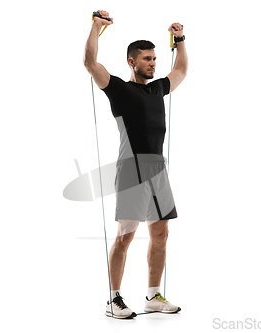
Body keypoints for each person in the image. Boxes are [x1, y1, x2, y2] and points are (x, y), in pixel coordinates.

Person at [83, 10, 188, 319]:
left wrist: (179, 39)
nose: (153, 63)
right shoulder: (119, 89)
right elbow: (90, 63)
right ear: (132, 62)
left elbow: (180, 70)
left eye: (154, 58)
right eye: (146, 59)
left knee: (161, 234)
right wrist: (96, 27)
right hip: (131, 168)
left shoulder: (158, 89)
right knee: (125, 235)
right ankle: (113, 299)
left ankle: (153, 295)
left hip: (158, 167)